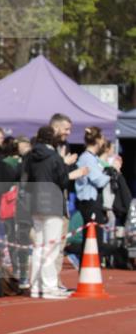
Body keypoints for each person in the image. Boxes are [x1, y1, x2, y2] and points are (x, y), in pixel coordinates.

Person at [27, 126, 87, 299]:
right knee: (51, 247)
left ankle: (36, 285)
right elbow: (62, 180)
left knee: (38, 246)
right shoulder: (54, 157)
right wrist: (67, 166)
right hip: (52, 204)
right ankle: (49, 287)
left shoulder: (31, 156)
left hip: (36, 203)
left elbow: (26, 178)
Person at [75, 127, 112, 259]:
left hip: (92, 201)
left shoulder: (92, 158)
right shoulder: (87, 158)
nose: (103, 142)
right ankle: (88, 271)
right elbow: (98, 180)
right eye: (102, 139)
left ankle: (88, 271)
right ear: (97, 140)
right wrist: (111, 175)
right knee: (93, 240)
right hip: (89, 202)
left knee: (92, 240)